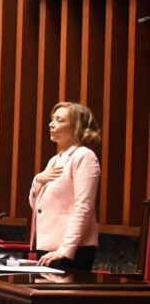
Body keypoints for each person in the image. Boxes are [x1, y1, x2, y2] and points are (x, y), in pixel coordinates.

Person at [29, 102, 101, 270]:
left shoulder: (84, 156)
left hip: (70, 249)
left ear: (76, 126)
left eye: (59, 119)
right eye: (52, 119)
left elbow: (84, 207)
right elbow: (36, 206)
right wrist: (37, 180)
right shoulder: (55, 160)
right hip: (49, 245)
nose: (51, 124)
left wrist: (65, 250)